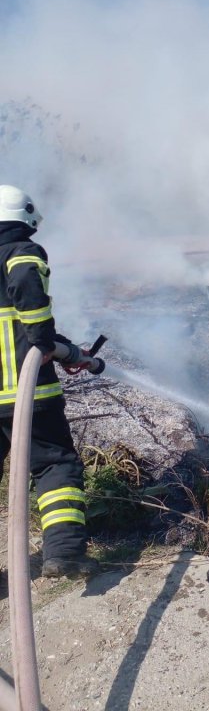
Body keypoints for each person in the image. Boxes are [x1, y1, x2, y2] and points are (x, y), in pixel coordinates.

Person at [0, 184, 99, 578]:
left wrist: (68, 350)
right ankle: (65, 554)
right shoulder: (20, 252)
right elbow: (26, 289)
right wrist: (44, 340)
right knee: (55, 467)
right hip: (27, 394)